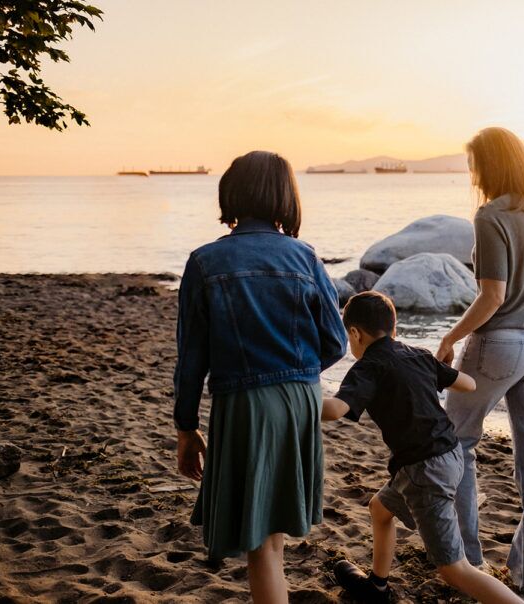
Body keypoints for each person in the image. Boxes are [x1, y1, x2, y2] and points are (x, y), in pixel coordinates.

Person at [173, 150, 348, 603]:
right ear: (285, 195)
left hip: (246, 401)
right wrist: (297, 373)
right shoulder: (305, 257)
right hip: (301, 399)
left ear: (231, 191)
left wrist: (186, 428)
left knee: (262, 543)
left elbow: (191, 359)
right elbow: (336, 342)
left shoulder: (205, 262)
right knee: (273, 535)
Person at [436, 127, 524, 600]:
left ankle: (468, 563)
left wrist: (450, 338)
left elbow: (493, 296)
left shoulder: (491, 215)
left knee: (455, 442)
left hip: (500, 343)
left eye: (474, 164)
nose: (472, 174)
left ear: (490, 165)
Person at [321, 292, 524, 604]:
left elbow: (336, 409)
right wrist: (439, 368)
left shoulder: (369, 366)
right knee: (380, 509)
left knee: (454, 570)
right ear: (394, 328)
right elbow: (468, 384)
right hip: (449, 454)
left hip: (423, 469)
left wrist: (297, 399)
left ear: (355, 333)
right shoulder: (418, 354)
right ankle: (377, 586)